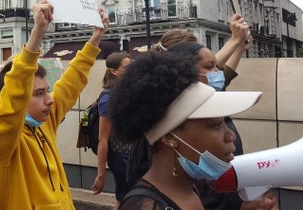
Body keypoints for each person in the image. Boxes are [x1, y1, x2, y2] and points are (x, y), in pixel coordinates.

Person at [0, 0, 109, 209]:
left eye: (47, 90)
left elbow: (70, 83)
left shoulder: (43, 123)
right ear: (18, 97)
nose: (49, 99)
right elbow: (12, 97)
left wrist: (96, 38)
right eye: (39, 93)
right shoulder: (0, 138)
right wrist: (37, 33)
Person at [110, 51, 277, 210]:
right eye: (216, 125)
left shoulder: (187, 189)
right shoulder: (147, 206)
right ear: (170, 137)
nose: (230, 135)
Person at [91, 51, 132, 208]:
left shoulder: (128, 92)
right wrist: (101, 175)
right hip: (121, 157)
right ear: (114, 72)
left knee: (127, 197)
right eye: (127, 67)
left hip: (134, 155)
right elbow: (103, 139)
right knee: (125, 198)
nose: (131, 70)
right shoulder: (108, 99)